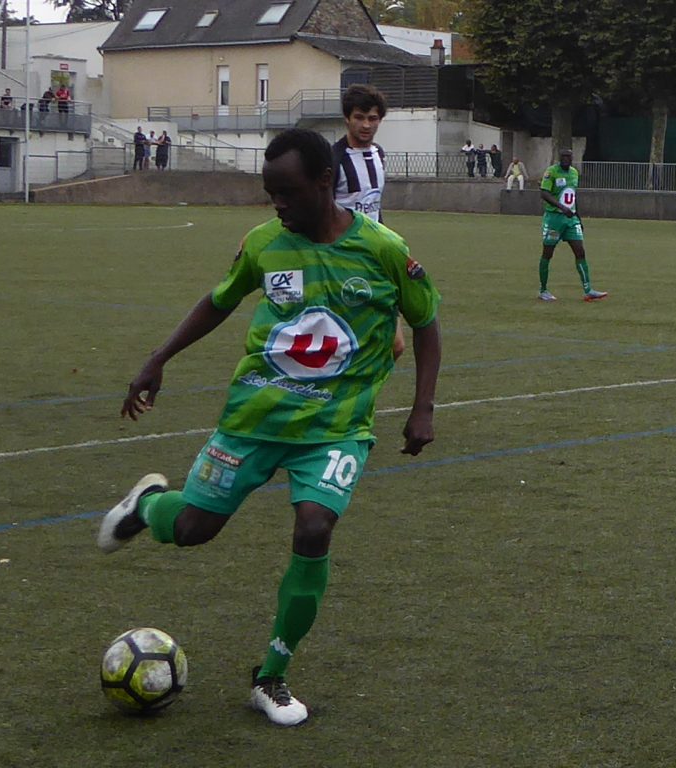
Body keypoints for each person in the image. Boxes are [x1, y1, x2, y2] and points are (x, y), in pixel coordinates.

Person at [97, 127, 442, 726]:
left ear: (324, 182)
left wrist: (423, 407)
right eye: (270, 193)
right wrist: (159, 357)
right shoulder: (263, 244)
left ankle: (271, 676)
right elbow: (220, 300)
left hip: (336, 427)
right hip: (254, 418)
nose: (277, 204)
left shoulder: (384, 249)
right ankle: (148, 505)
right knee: (193, 529)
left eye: (287, 192)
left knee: (315, 527)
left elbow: (427, 322)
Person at [331, 83, 405, 360]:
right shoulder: (333, 159)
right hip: (342, 261)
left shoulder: (378, 154)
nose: (366, 125)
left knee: (395, 345)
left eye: (372, 118)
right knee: (348, 344)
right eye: (359, 117)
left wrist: (387, 242)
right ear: (347, 118)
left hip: (375, 257)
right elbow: (316, 211)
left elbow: (374, 206)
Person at [538, 147, 607, 302]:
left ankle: (588, 290)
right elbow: (544, 193)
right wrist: (562, 208)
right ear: (559, 158)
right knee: (548, 253)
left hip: (571, 220)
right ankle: (543, 290)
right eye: (563, 156)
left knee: (580, 251)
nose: (566, 159)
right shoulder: (551, 172)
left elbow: (573, 196)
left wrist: (578, 218)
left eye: (568, 157)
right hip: (554, 219)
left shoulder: (574, 173)